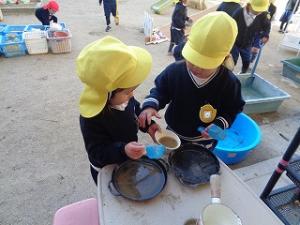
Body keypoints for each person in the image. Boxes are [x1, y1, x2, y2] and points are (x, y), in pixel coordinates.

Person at [139, 12, 245, 150]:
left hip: (204, 139)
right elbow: (161, 90)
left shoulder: (229, 83)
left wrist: (220, 124)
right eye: (193, 60)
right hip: (172, 131)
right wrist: (150, 106)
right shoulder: (175, 71)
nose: (196, 68)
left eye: (205, 64)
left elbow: (233, 108)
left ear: (224, 58)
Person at [77, 36, 157, 184]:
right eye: (128, 92)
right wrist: (123, 150)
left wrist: (148, 125)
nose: (132, 95)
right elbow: (97, 152)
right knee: (115, 195)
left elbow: (135, 110)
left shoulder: (125, 99)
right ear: (107, 95)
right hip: (107, 168)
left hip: (129, 160)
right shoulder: (91, 119)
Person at [230, 0, 270, 74]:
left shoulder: (263, 15)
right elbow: (231, 23)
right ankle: (228, 73)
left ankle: (243, 72)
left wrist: (266, 35)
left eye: (260, 11)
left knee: (246, 60)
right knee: (232, 60)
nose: (258, 12)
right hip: (235, 42)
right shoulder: (239, 12)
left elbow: (267, 26)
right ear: (249, 5)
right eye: (256, 10)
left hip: (248, 44)